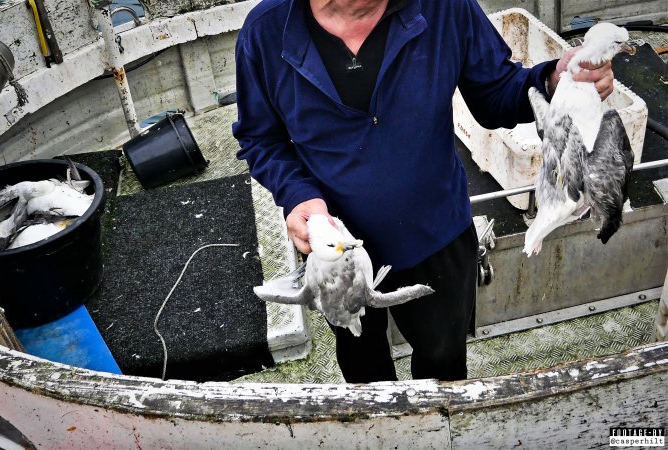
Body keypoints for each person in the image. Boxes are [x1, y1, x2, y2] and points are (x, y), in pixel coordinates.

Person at [232, 0, 615, 383]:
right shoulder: (265, 32)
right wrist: (299, 196)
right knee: (361, 362)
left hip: (438, 234)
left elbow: (496, 91)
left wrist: (552, 80)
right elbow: (261, 138)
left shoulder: (444, 7)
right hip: (335, 254)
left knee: (443, 359)